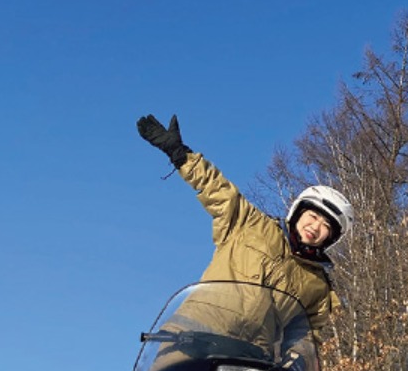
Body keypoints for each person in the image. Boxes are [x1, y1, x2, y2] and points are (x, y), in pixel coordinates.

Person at [136, 113, 352, 334]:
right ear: (298, 212)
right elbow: (218, 191)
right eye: (313, 216)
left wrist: (294, 365)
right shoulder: (251, 224)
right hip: (194, 331)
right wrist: (179, 154)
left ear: (331, 238)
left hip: (252, 358)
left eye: (326, 225)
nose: (315, 227)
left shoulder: (319, 287)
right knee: (169, 366)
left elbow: (306, 338)